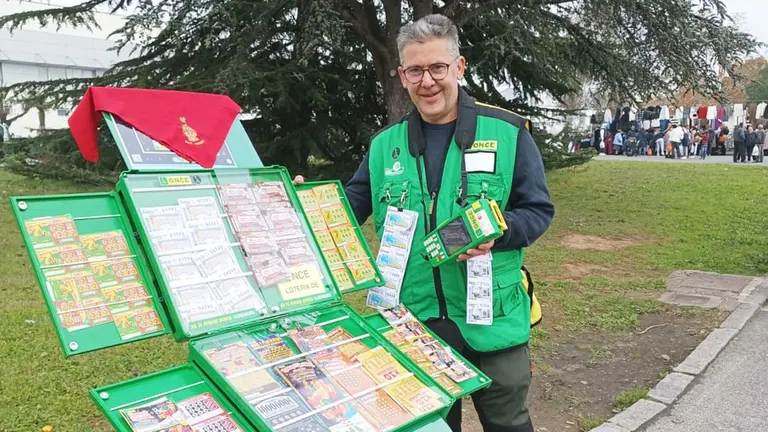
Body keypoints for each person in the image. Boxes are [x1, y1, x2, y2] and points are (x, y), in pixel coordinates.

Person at [295, 14, 554, 432]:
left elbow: (538, 210)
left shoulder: (507, 132)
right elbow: (350, 206)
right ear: (401, 75)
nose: (427, 81)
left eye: (437, 67)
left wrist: (498, 231)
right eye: (415, 70)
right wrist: (304, 203)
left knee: (509, 424)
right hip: (412, 321)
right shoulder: (384, 147)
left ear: (459, 67)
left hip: (493, 319)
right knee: (428, 427)